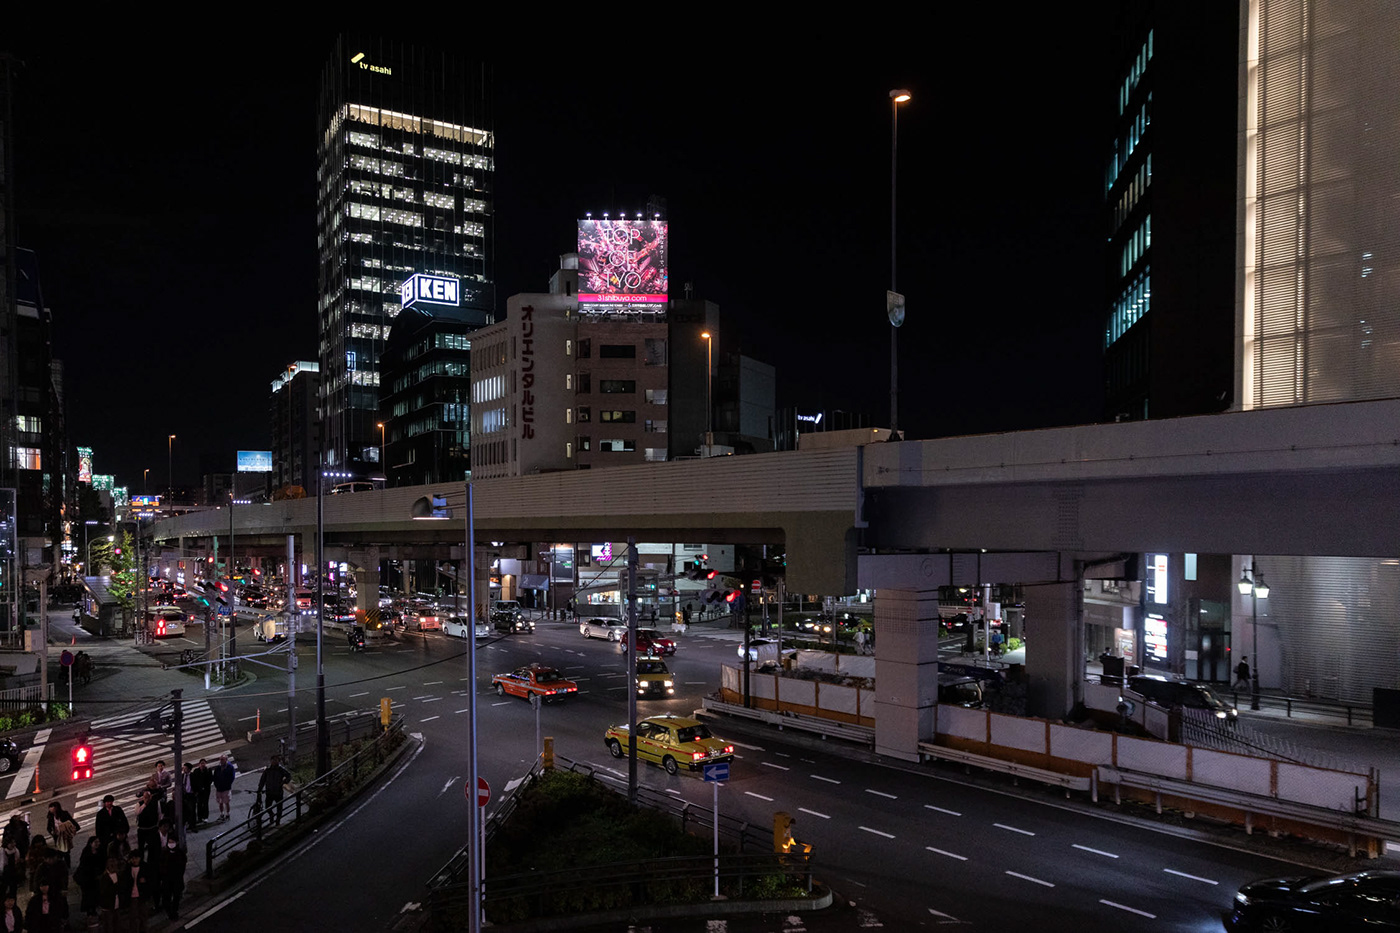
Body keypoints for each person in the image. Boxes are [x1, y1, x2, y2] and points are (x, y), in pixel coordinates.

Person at [74, 835, 105, 926]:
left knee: (95, 895)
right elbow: (84, 865)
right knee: (88, 896)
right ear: (91, 843)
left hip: (95, 878)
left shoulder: (100, 852)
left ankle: (93, 911)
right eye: (95, 842)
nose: (97, 844)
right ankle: (90, 912)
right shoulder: (86, 852)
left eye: (98, 842)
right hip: (87, 879)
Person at [257, 755, 292, 825]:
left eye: (276, 760)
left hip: (278, 792)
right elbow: (262, 780)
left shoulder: (281, 769)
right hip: (269, 792)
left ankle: (277, 822)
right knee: (267, 807)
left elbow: (289, 775)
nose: (274, 762)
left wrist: (284, 782)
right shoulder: (268, 770)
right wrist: (259, 789)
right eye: (273, 760)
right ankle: (271, 815)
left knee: (279, 808)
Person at [44, 802, 78, 874]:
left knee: (66, 853)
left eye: (52, 807)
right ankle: (61, 867)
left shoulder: (64, 814)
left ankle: (67, 867)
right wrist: (53, 833)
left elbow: (72, 823)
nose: (51, 810)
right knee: (60, 853)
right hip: (57, 837)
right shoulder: (50, 817)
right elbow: (49, 827)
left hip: (65, 837)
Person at [158, 840, 185, 920]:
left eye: (173, 841)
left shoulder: (180, 853)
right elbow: (160, 866)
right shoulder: (164, 853)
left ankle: (174, 911)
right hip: (167, 880)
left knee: (176, 896)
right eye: (169, 842)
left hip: (177, 879)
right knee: (167, 897)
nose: (171, 843)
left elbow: (182, 866)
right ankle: (169, 912)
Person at [212, 754, 236, 822]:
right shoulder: (218, 768)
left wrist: (227, 784)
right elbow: (215, 777)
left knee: (226, 802)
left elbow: (232, 777)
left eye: (222, 759)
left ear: (226, 759)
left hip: (226, 788)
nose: (221, 761)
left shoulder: (230, 767)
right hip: (219, 788)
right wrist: (216, 785)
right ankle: (222, 814)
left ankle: (228, 814)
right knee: (220, 802)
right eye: (220, 759)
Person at [192, 758, 214, 826]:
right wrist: (196, 789)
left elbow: (210, 780)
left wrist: (204, 787)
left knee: (205, 803)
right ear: (199, 764)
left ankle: (205, 817)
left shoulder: (208, 771)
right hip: (198, 790)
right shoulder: (196, 771)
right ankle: (199, 817)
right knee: (199, 803)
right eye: (201, 763)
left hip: (206, 790)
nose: (202, 764)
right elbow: (194, 781)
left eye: (204, 763)